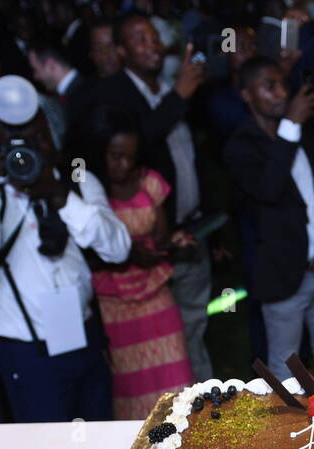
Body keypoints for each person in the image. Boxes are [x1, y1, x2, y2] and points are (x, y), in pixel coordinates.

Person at [0, 87, 130, 422]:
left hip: (84, 336)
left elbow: (118, 248)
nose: (27, 150)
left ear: (51, 135)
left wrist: (60, 195)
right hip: (26, 350)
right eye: (14, 141)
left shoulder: (76, 180)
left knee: (101, 445)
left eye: (36, 136)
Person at [87, 14, 212, 380]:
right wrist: (179, 96)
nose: (153, 45)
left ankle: (209, 407)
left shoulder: (168, 89)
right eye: (140, 40)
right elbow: (134, 150)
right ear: (121, 51)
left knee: (196, 328)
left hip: (192, 228)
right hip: (151, 246)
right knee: (174, 343)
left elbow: (196, 155)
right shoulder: (113, 94)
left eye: (155, 36)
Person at [225, 57, 314, 381]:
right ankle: (288, 433)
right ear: (246, 95)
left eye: (283, 83)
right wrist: (291, 127)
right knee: (286, 367)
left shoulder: (302, 134)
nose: (281, 92)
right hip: (282, 275)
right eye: (269, 86)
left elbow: (307, 191)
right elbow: (269, 189)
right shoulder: (241, 147)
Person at [74, 106, 194, 418]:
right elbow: (80, 255)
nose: (124, 164)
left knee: (177, 389)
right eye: (115, 155)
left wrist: (174, 243)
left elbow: (161, 240)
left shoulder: (150, 183)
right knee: (131, 396)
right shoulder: (86, 191)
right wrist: (125, 255)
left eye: (131, 156)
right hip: (113, 306)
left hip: (156, 297)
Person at [28, 35, 97, 146]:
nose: (35, 76)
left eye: (35, 69)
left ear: (51, 65)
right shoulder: (75, 91)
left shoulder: (81, 96)